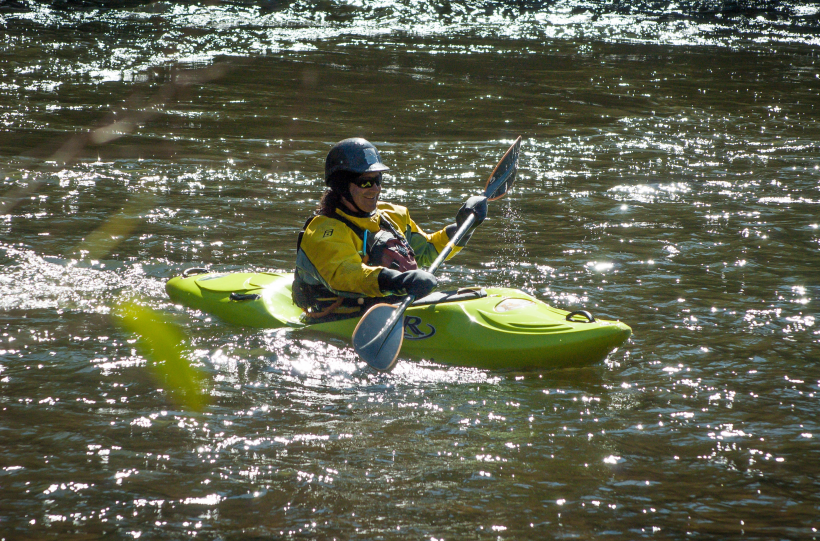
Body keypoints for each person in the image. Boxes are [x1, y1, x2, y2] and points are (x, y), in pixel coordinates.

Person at [292, 137, 488, 321]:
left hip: (391, 307)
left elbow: (427, 250)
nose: (375, 189)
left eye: (378, 179)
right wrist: (398, 282)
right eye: (365, 182)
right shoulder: (323, 231)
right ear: (342, 186)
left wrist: (463, 228)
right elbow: (346, 275)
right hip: (339, 318)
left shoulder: (393, 215)